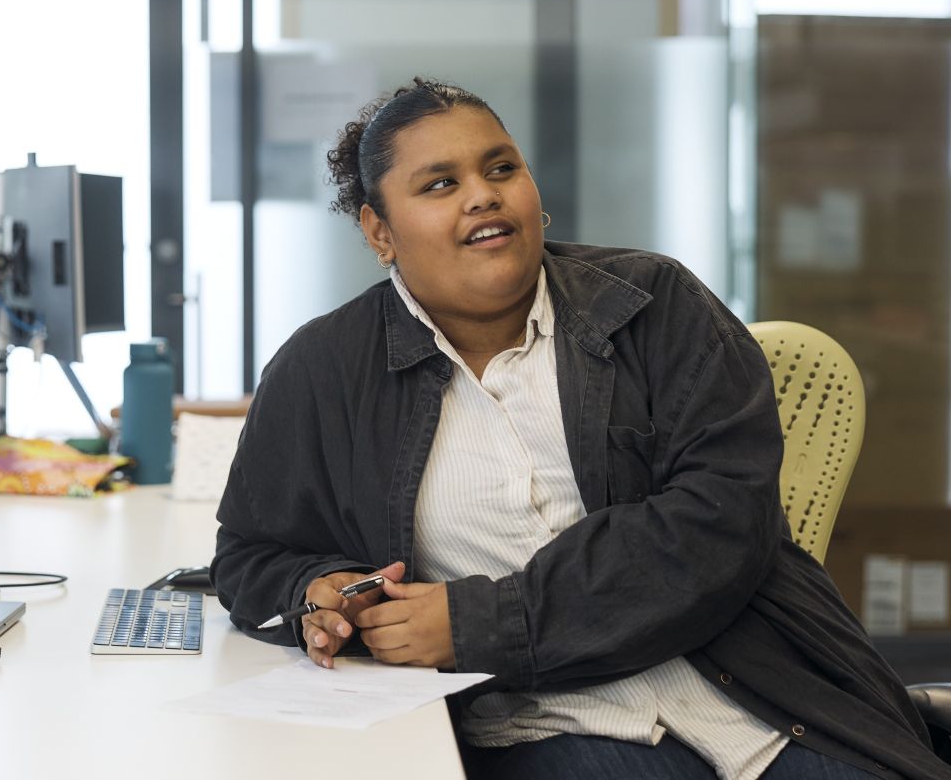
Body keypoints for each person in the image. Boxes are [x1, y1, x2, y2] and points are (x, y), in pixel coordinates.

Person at [211, 78, 951, 780]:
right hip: (543, 722)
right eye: (440, 184)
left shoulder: (654, 305)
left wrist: (480, 624)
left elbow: (722, 519)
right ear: (380, 231)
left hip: (764, 698)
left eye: (501, 167)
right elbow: (251, 554)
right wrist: (321, 588)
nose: (482, 195)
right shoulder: (325, 369)